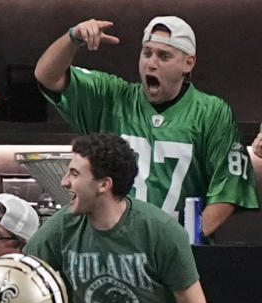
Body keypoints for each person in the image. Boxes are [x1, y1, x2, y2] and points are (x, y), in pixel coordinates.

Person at [25, 133, 242, 303]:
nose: (64, 181)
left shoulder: (160, 231)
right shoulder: (63, 225)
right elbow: (24, 275)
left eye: (74, 173)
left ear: (104, 184)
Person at [34, 16, 257, 237]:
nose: (151, 63)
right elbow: (47, 76)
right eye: (147, 53)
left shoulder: (211, 112)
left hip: (177, 255)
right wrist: (73, 38)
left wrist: (187, 241)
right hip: (113, 246)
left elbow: (229, 187)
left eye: (164, 56)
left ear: (188, 63)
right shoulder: (111, 97)